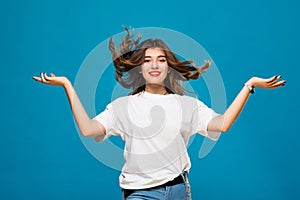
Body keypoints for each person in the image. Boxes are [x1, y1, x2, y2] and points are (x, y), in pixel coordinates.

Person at [32, 27, 285, 200]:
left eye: (161, 59)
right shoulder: (123, 106)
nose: (154, 64)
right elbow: (88, 129)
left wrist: (249, 85)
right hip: (140, 192)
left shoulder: (187, 105)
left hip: (177, 189)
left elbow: (223, 123)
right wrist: (68, 86)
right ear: (139, 67)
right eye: (147, 59)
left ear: (168, 67)